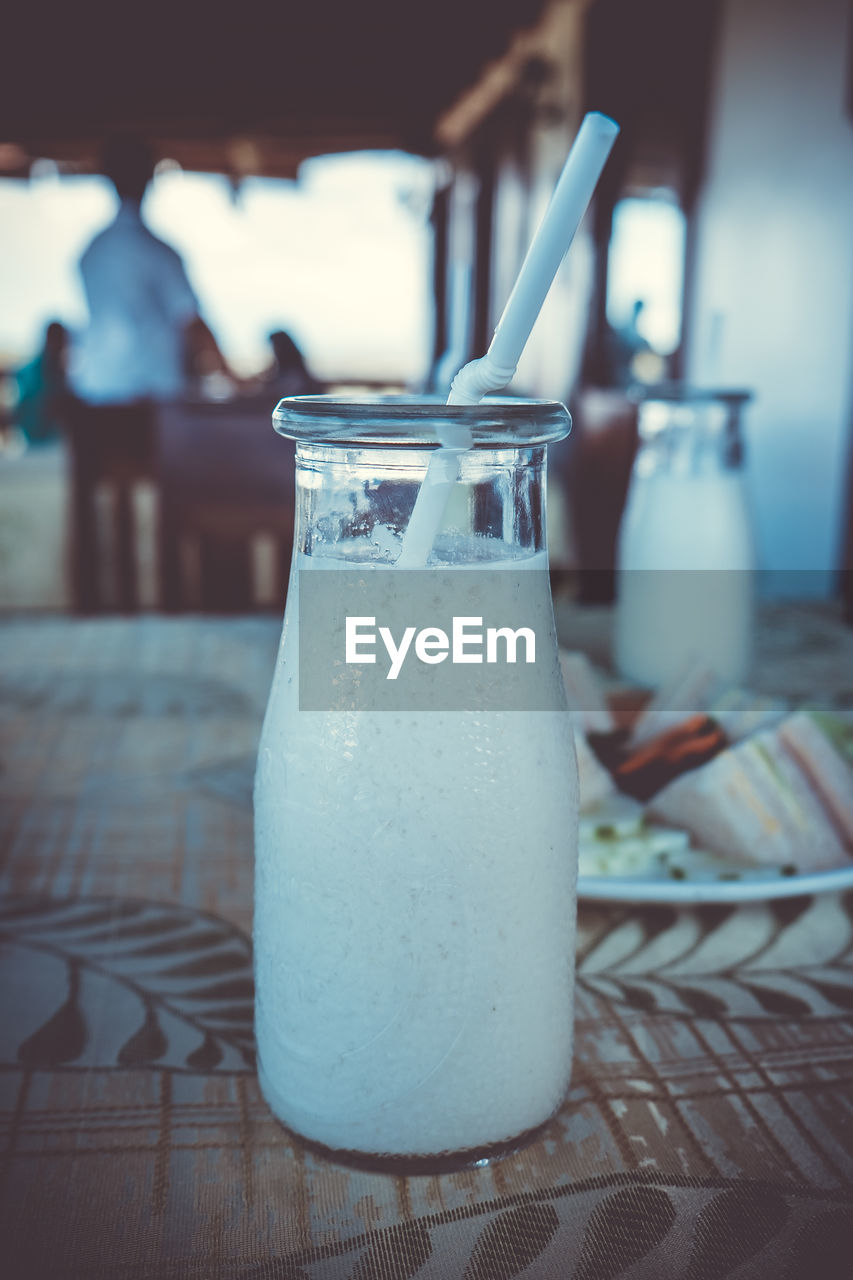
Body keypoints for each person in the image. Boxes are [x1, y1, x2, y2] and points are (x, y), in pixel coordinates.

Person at [72, 134, 231, 402]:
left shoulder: (91, 251)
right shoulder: (157, 251)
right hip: (152, 393)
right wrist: (233, 376)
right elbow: (191, 321)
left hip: (96, 387)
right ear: (150, 177)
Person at [14, 321, 70, 445]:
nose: (63, 344)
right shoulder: (29, 373)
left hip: (51, 443)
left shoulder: (63, 372)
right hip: (36, 442)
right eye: (60, 339)